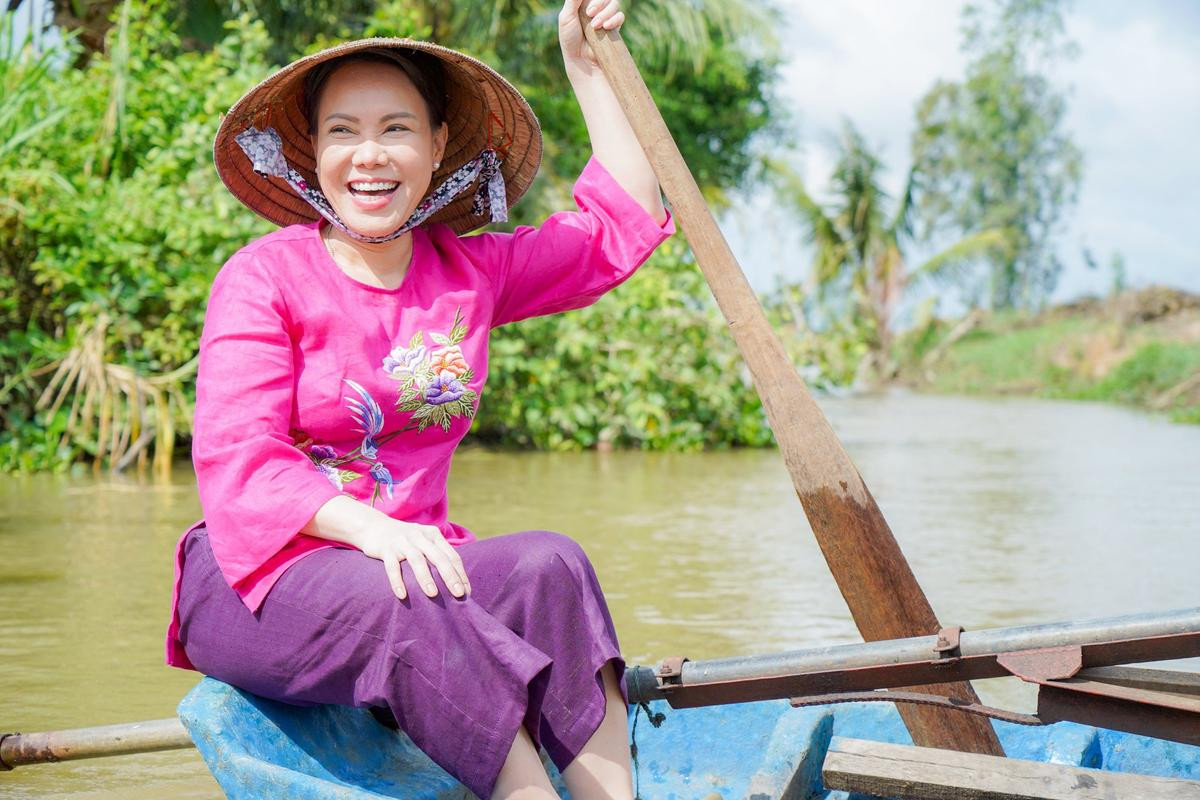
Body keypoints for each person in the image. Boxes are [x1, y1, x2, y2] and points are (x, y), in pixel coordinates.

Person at [164, 0, 674, 798]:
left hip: (414, 567)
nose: (369, 156)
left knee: (552, 566)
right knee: (417, 598)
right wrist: (372, 530)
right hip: (255, 583)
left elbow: (621, 224)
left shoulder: (468, 270)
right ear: (314, 152)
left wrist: (586, 63)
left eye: (396, 129)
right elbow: (242, 460)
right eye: (343, 131)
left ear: (437, 148)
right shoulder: (263, 278)